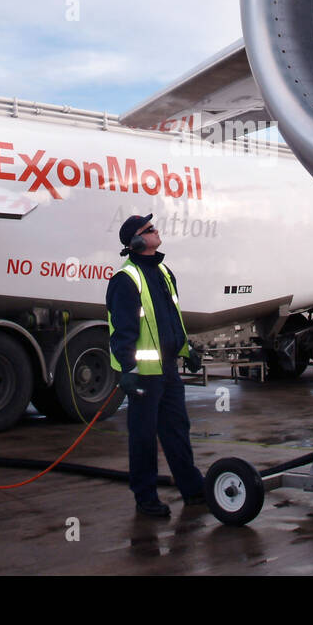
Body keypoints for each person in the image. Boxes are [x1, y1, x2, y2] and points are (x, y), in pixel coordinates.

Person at [106, 213, 206, 517]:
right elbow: (121, 329)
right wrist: (128, 371)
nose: (156, 230)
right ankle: (146, 498)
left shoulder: (164, 272)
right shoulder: (125, 280)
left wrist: (187, 349)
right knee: (143, 436)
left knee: (177, 430)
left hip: (169, 370)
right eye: (149, 229)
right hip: (145, 376)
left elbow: (172, 318)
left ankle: (192, 489)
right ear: (136, 241)